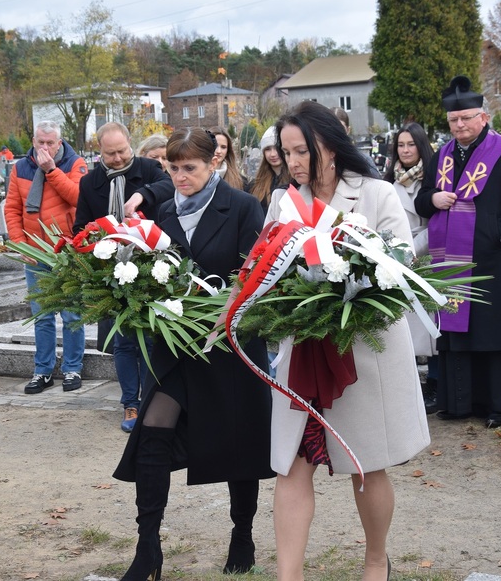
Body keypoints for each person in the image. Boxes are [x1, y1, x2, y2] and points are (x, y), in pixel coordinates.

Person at [267, 101, 429, 581]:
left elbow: (402, 269)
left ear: (331, 148)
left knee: (366, 465)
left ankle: (376, 559)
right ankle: (287, 575)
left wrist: (351, 284)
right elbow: (265, 268)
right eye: (287, 152)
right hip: (303, 353)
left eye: (303, 151)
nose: (294, 162)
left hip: (362, 352)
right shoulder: (283, 202)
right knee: (292, 465)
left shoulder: (378, 194)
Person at [112, 126, 272, 580]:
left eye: (190, 168)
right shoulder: (162, 211)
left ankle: (242, 534)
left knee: (240, 442)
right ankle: (148, 550)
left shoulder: (243, 207)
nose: (180, 177)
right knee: (153, 428)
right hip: (176, 347)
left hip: (227, 345)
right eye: (173, 168)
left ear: (214, 165)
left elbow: (255, 274)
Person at [414, 76, 501, 428]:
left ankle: (499, 404)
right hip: (450, 260)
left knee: (492, 333)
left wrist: (499, 233)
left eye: (466, 118)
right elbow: (424, 196)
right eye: (454, 120)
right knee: (458, 333)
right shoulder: (442, 155)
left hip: (492, 259)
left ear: (483, 117)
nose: (460, 125)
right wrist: (433, 199)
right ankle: (460, 401)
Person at [75, 122, 174, 431]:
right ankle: (130, 403)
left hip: (150, 266)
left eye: (121, 151)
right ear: (99, 151)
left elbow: (168, 186)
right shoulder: (90, 182)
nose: (117, 159)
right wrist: (93, 242)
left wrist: (142, 195)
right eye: (109, 154)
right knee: (123, 342)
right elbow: (80, 225)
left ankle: (149, 401)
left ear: (131, 145)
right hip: (111, 270)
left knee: (147, 338)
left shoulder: (149, 168)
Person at [4, 121, 88, 394]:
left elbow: (78, 197)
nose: (45, 148)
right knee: (42, 316)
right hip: (36, 252)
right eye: (40, 142)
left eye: (50, 143)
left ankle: (73, 368)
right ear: (33, 139)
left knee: (72, 313)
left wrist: (51, 170)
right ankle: (43, 371)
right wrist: (20, 245)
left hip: (67, 250)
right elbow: (13, 208)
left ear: (60, 142)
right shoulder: (20, 168)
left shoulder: (75, 164)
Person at [383, 123, 438, 410]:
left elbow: (434, 223)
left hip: (424, 256)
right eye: (401, 145)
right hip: (396, 258)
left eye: (411, 145)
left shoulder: (430, 180)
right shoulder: (389, 184)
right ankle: (411, 385)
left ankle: (435, 384)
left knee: (431, 327)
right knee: (405, 326)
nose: (405, 150)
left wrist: (411, 249)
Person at [245, 126, 289, 212]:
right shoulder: (254, 185)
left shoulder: (295, 182)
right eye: (268, 149)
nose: (273, 154)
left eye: (277, 148)